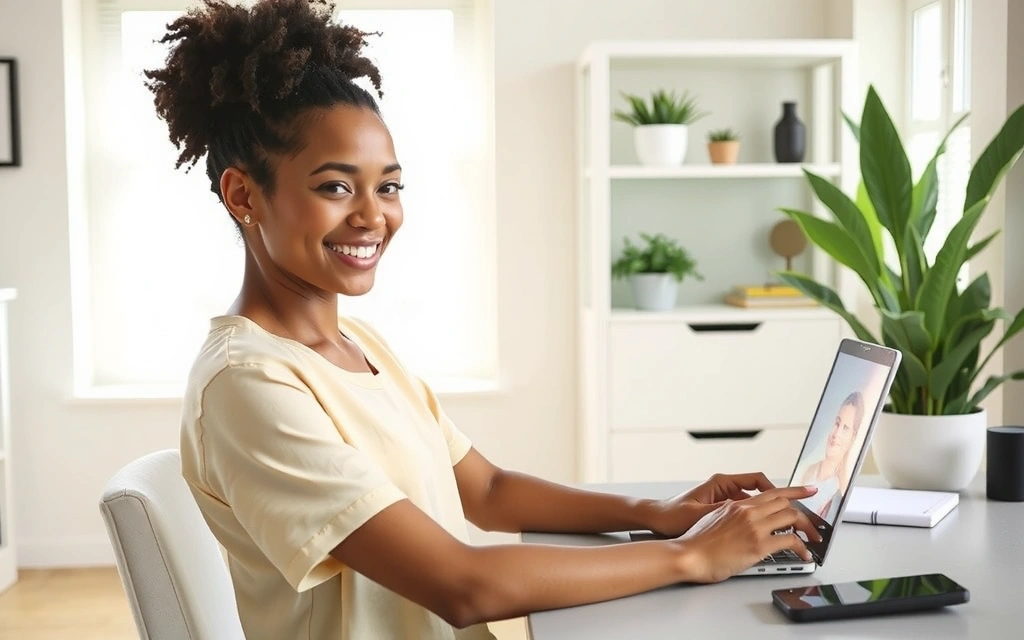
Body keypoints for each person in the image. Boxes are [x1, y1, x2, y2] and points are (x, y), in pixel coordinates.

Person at [150, 1, 821, 638]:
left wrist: (660, 515)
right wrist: (693, 558)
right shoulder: (248, 384)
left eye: (388, 186)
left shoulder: (355, 344)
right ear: (244, 195)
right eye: (335, 186)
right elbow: (463, 585)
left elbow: (489, 490)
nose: (372, 215)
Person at [798, 391, 866, 522]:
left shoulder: (841, 488)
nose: (836, 433)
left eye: (845, 428)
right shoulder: (809, 471)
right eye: (837, 423)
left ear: (853, 437)